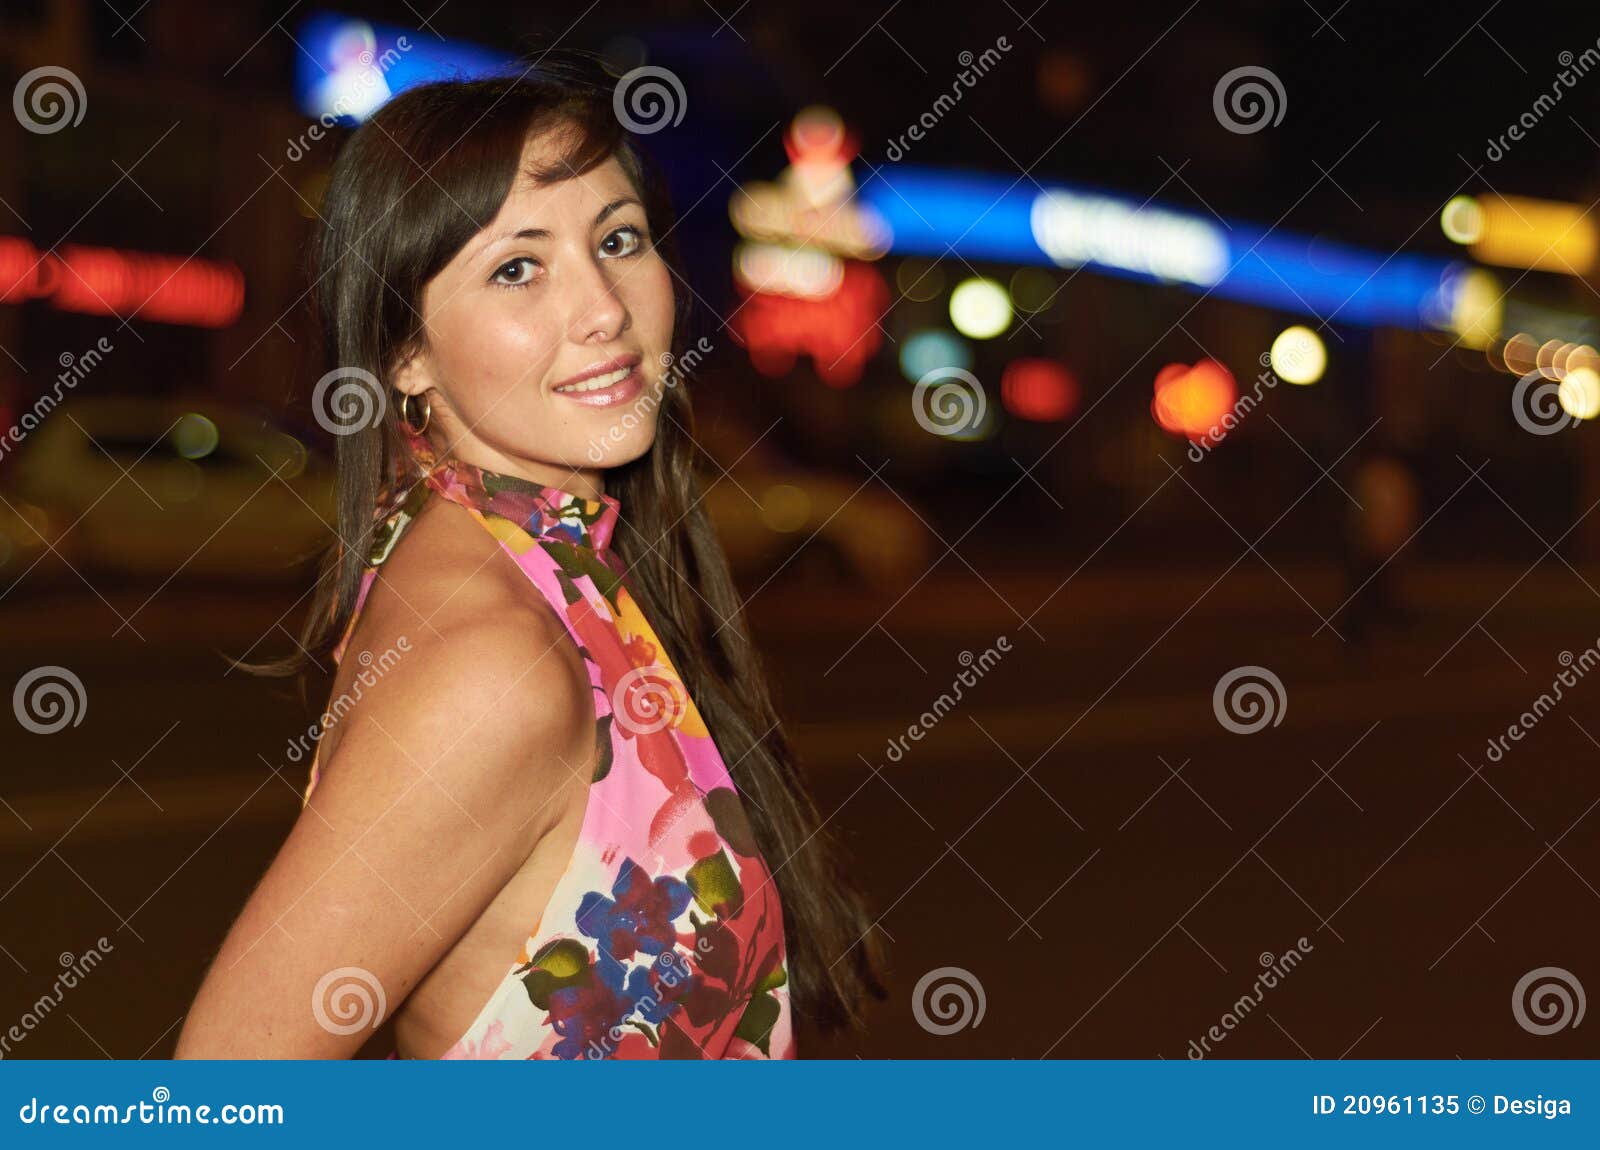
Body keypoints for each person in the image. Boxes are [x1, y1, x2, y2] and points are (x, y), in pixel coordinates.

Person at [176, 52, 883, 1059]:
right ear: (404, 353)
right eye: (517, 266)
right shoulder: (494, 663)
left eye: (619, 239)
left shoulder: (532, 551)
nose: (604, 309)